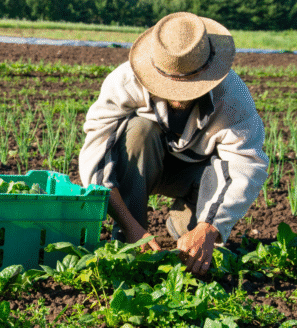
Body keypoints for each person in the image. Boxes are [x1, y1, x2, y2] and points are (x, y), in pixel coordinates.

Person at [78, 12, 269, 275]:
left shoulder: (232, 96)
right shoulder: (124, 81)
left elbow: (245, 164)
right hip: (143, 164)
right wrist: (132, 228)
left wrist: (208, 229)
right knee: (138, 130)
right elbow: (96, 158)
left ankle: (185, 225)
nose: (179, 94)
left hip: (196, 174)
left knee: (196, 248)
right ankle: (128, 239)